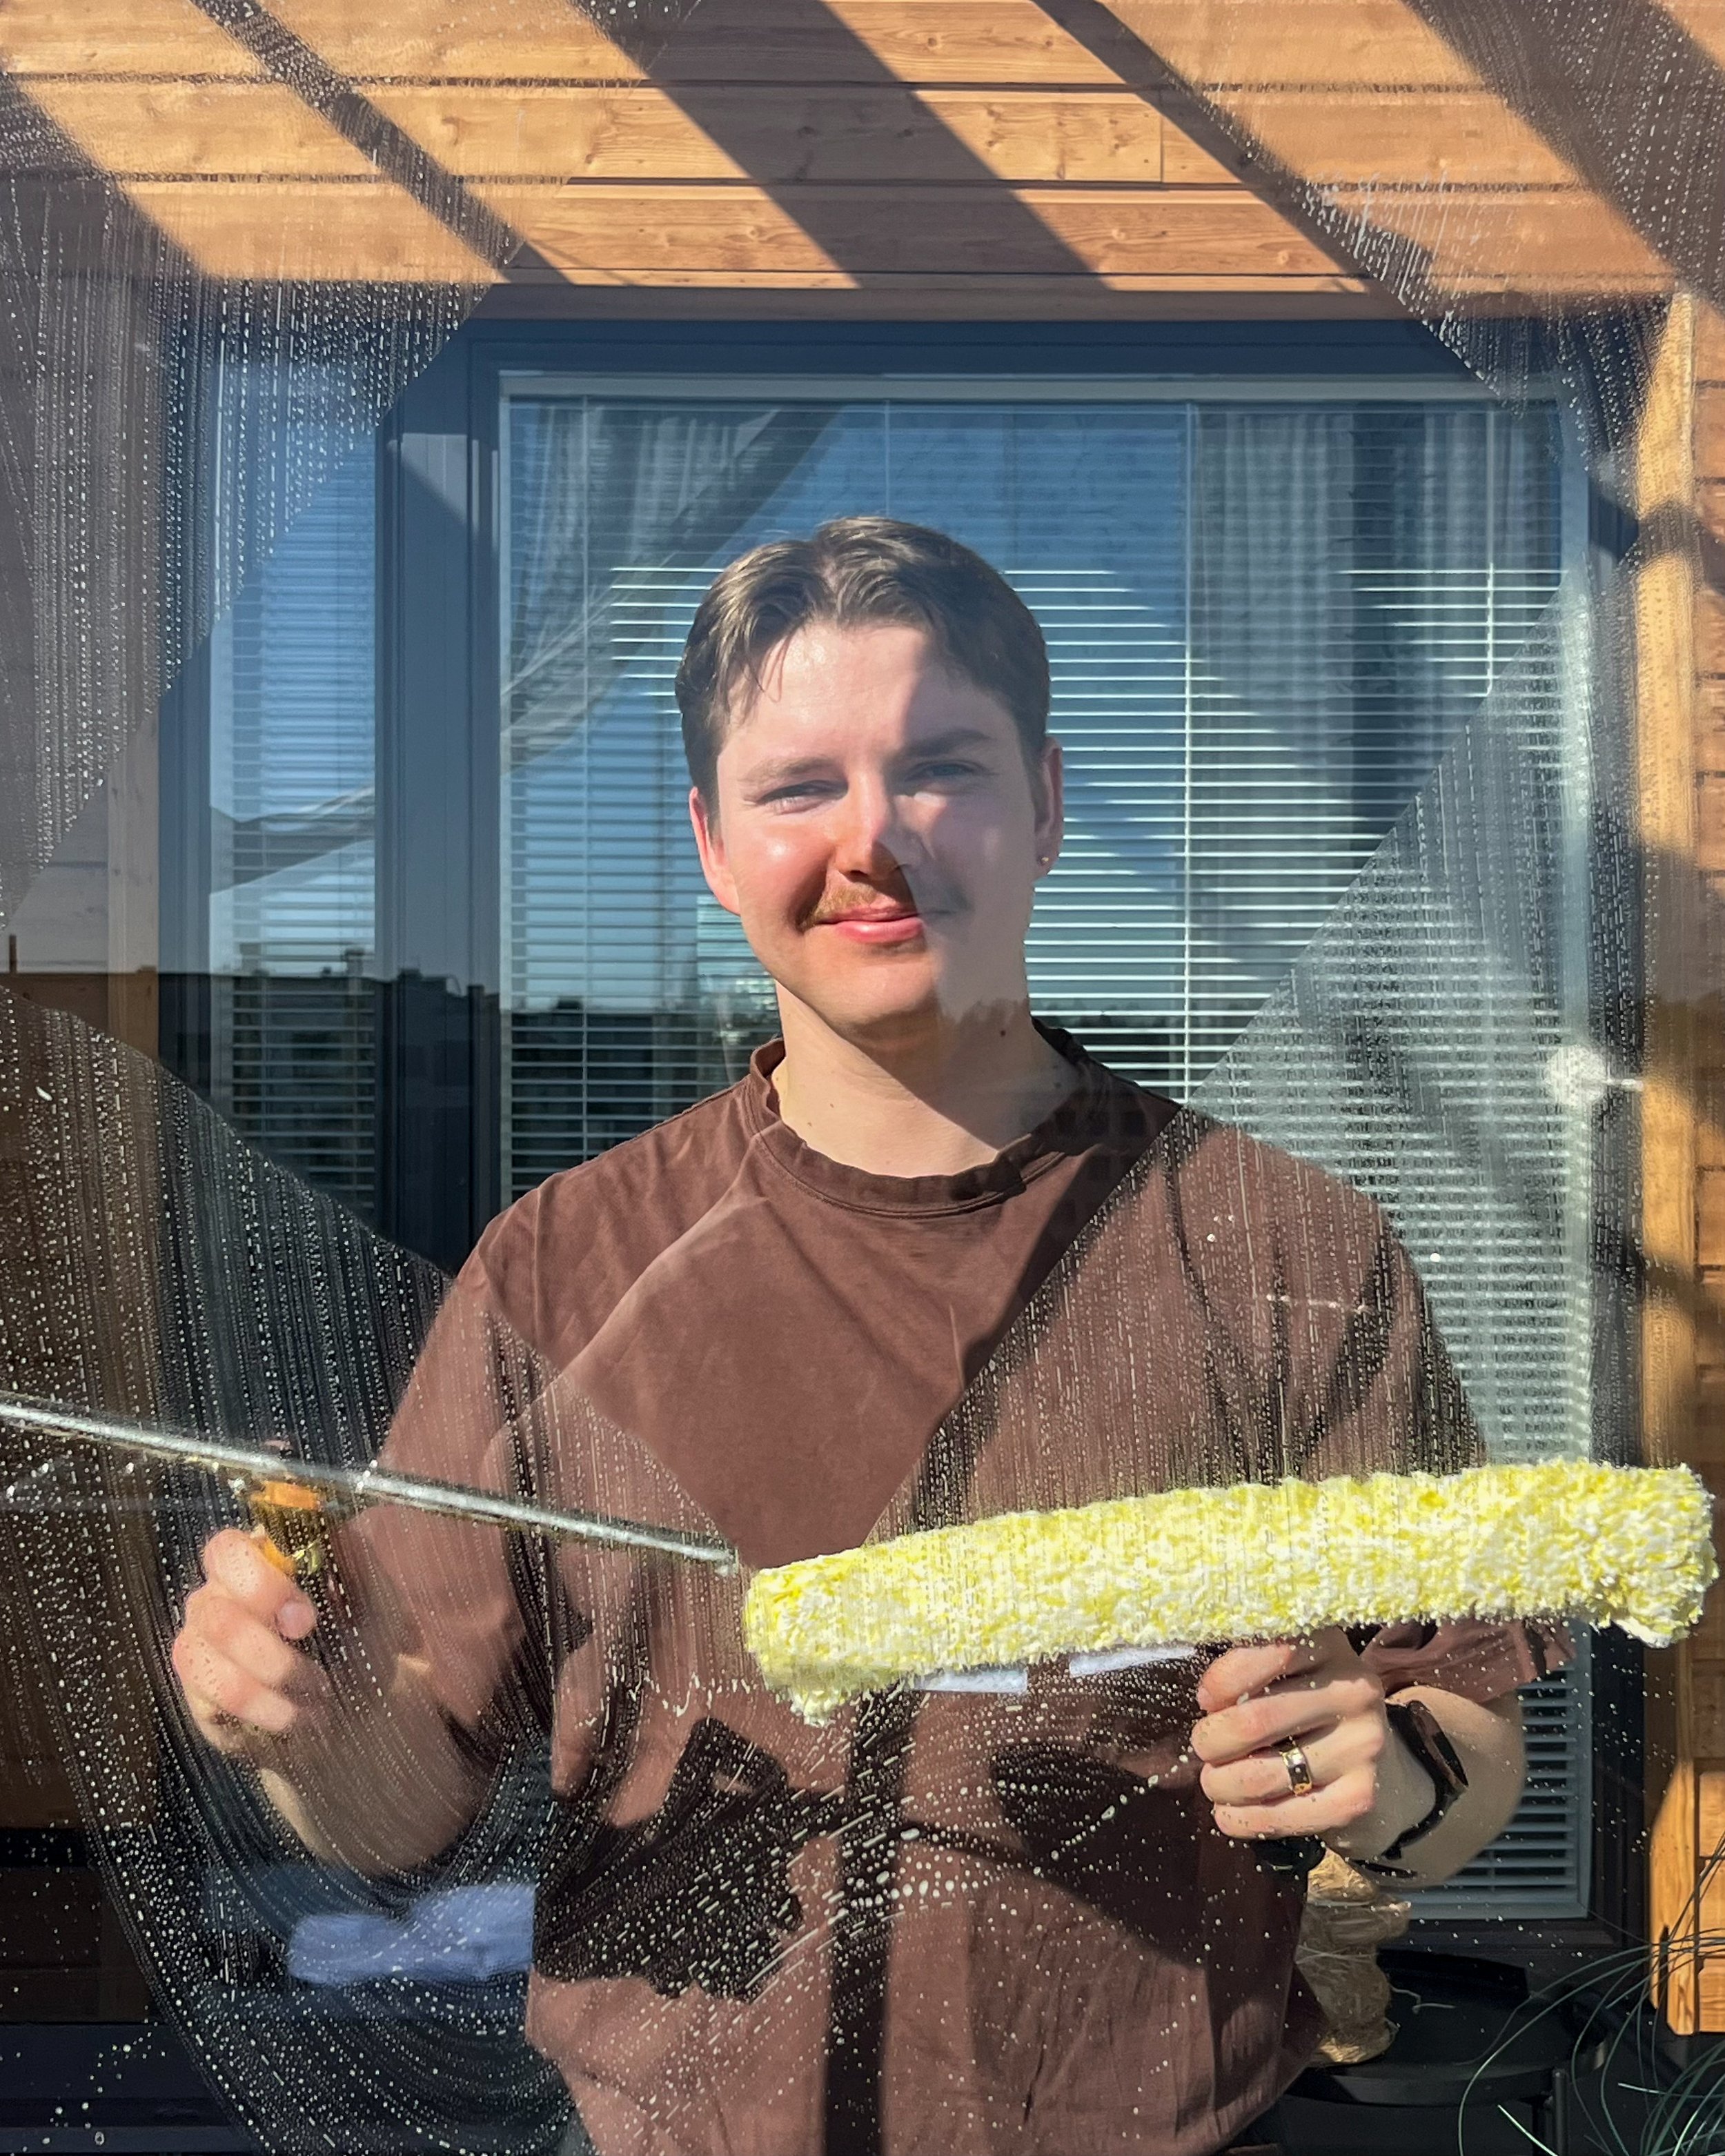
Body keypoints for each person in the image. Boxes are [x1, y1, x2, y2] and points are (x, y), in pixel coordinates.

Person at [171, 518, 1562, 2156]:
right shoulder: (561, 1272)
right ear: (707, 839)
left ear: (1043, 805)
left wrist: (1384, 1785)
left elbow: (1461, 1739)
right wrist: (314, 1728)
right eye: (795, 787)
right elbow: (395, 1810)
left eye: (940, 769)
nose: (872, 841)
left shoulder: (1284, 1249)